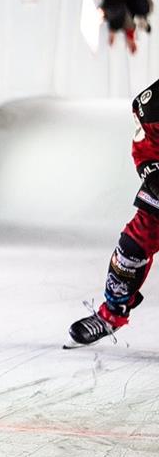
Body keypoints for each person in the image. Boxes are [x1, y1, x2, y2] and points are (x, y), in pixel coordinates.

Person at [68, 78, 159, 346]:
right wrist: (154, 174)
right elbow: (147, 147)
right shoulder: (152, 104)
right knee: (134, 243)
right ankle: (111, 314)